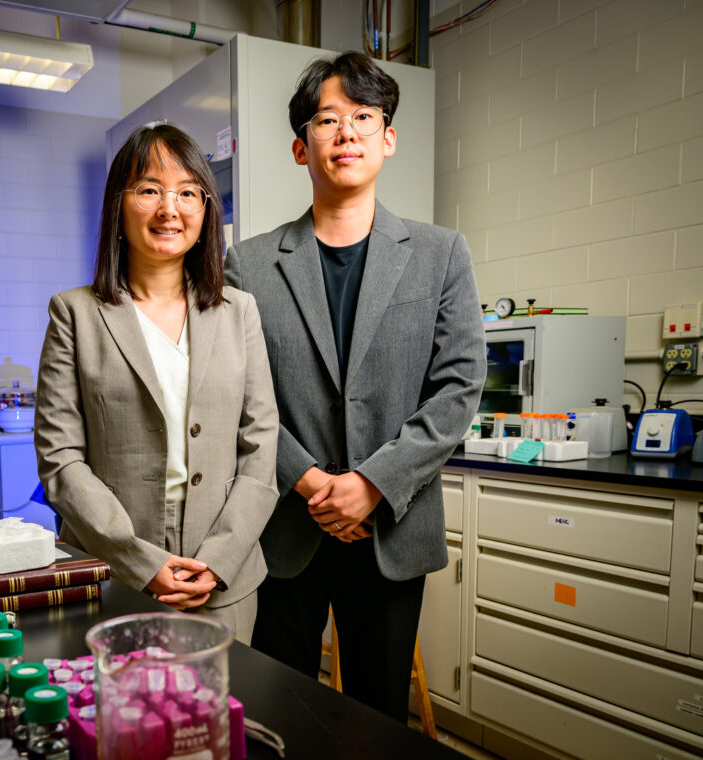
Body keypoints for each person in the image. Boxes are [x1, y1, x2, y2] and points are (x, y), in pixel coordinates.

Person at [224, 52, 485, 719]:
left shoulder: (440, 253)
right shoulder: (248, 264)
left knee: (378, 712)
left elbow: (458, 389)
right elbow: (236, 395)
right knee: (280, 707)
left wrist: (371, 484)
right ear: (299, 145)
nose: (346, 133)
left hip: (393, 527)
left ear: (388, 138)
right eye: (328, 120)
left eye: (364, 118)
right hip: (289, 526)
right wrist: (313, 482)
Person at [35, 124, 279, 643]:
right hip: (111, 573)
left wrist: (218, 561)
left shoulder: (240, 313)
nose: (171, 208)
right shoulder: (74, 314)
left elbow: (260, 447)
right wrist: (138, 559)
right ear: (118, 207)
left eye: (189, 193)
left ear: (206, 211)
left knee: (212, 719)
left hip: (223, 583)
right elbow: (60, 458)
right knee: (120, 720)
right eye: (149, 190)